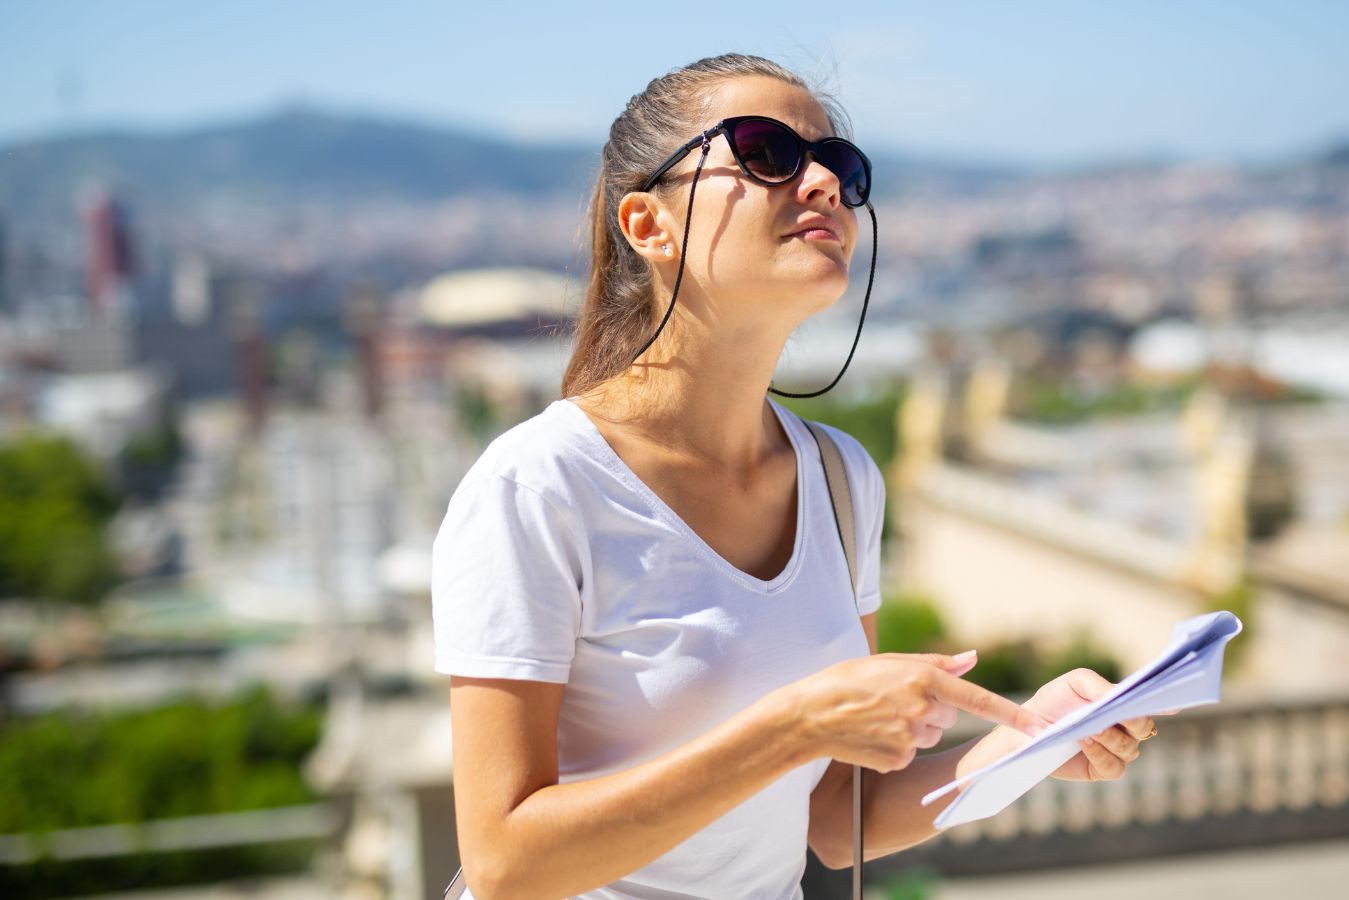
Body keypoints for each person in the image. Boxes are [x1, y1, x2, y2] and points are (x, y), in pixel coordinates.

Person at [431, 53, 1159, 899]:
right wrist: (793, 724)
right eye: (766, 152)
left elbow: (839, 816)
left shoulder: (842, 482)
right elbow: (504, 863)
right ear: (647, 225)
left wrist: (1034, 741)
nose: (821, 182)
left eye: (841, 167)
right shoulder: (539, 485)